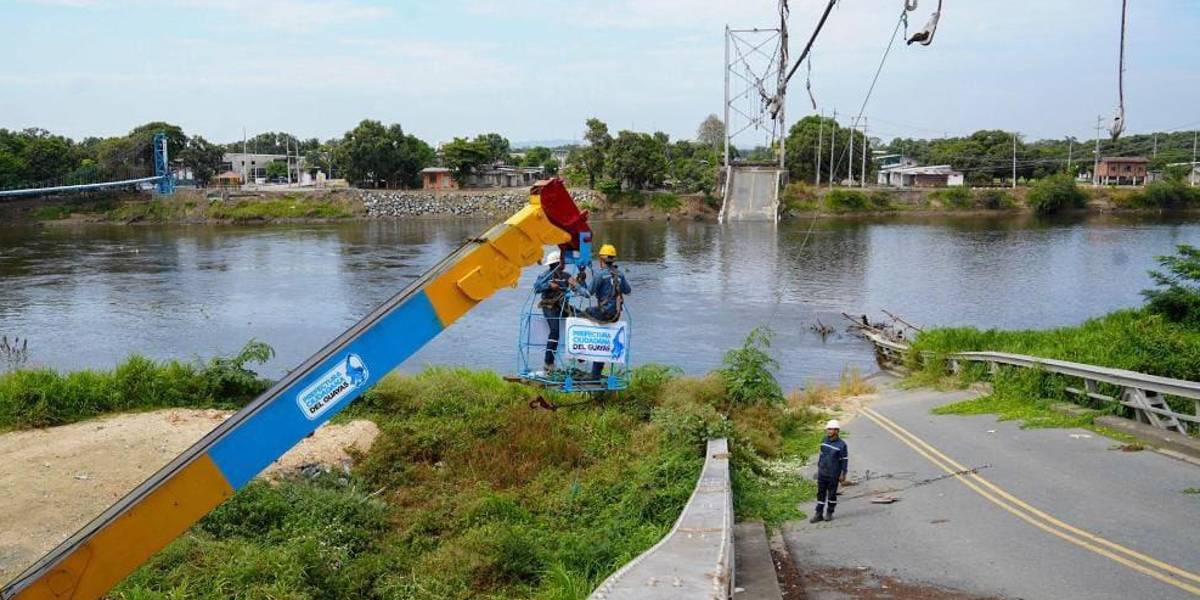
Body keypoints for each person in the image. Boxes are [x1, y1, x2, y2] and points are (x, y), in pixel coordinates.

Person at [533, 249, 586, 373]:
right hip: (549, 306)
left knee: (581, 317)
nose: (564, 264)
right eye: (562, 261)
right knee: (554, 331)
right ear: (556, 263)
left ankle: (579, 353)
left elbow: (579, 288)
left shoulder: (566, 276)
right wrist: (548, 285)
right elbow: (536, 288)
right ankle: (548, 362)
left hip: (563, 306)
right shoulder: (545, 276)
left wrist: (580, 280)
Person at [584, 244, 631, 379]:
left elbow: (588, 293)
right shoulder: (619, 274)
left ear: (601, 259)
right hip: (615, 315)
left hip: (602, 313)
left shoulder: (600, 275)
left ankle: (581, 351)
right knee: (603, 344)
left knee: (583, 313)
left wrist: (576, 285)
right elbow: (628, 290)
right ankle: (596, 374)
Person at [810, 419, 848, 523]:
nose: (829, 431)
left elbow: (844, 460)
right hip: (822, 473)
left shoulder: (842, 445)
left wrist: (843, 474)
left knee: (831, 494)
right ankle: (818, 514)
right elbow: (821, 456)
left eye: (831, 429)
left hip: (833, 474)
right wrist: (819, 468)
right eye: (828, 429)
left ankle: (829, 512)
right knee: (820, 494)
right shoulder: (824, 440)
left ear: (837, 431)